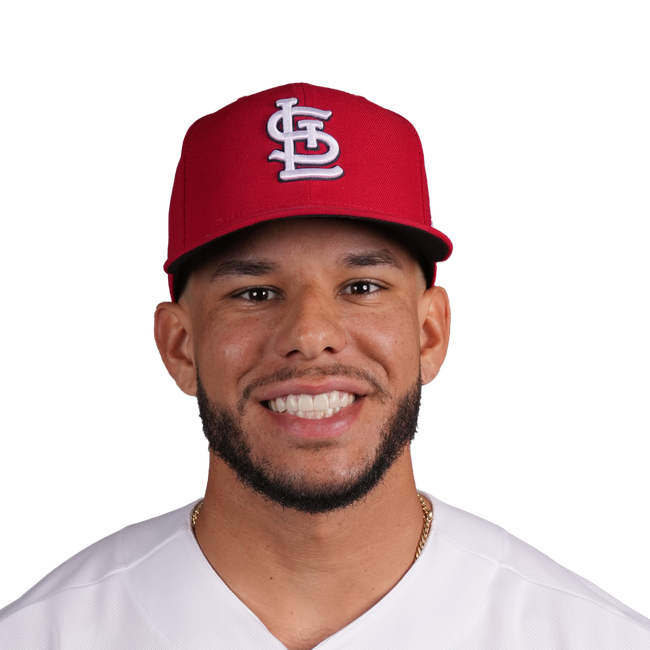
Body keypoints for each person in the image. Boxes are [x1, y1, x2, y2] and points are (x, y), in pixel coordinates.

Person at [1, 82, 648, 650]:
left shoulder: (590, 637)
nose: (311, 337)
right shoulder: (43, 636)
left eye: (362, 286)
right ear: (179, 347)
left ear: (430, 333)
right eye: (255, 293)